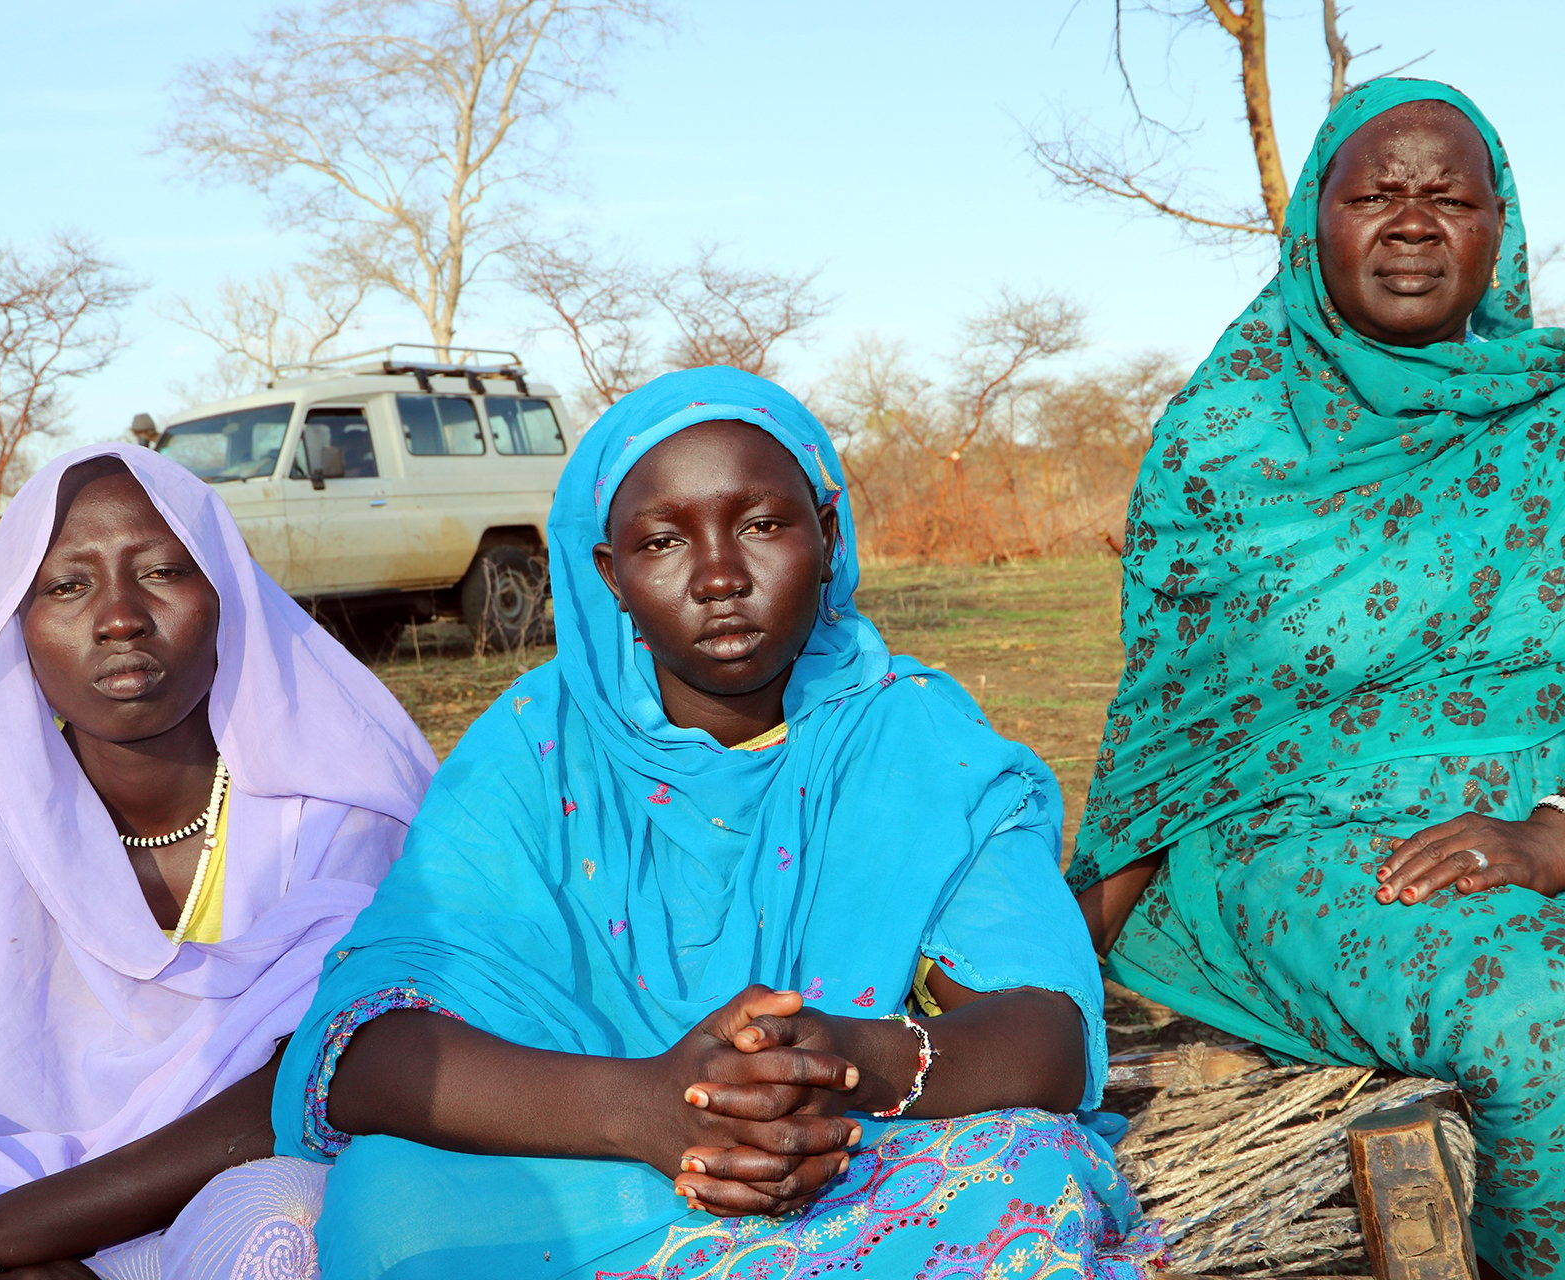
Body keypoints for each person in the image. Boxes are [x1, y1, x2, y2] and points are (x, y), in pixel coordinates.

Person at [269, 367, 1162, 1279]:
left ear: (827, 532)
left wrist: (840, 1057)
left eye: (763, 524)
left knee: (1025, 1169)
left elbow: (1044, 1038)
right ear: (610, 575)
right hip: (580, 1147)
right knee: (391, 1198)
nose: (721, 575)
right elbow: (368, 1051)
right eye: (662, 541)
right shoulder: (531, 753)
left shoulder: (921, 741)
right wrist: (646, 1108)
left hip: (843, 1155)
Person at [1069, 78, 1565, 1280]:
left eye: (1451, 197)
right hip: (1309, 840)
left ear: (1502, 226)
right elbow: (1167, 723)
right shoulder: (1224, 436)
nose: (1416, 221)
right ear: (1312, 220)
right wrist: (1060, 955)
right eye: (1377, 193)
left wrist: (1556, 834)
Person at [0, 444, 436, 1280]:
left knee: (293, 1216)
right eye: (68, 585)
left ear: (228, 598)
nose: (118, 618)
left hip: (221, 1193)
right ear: (17, 626)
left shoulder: (339, 808)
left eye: (161, 573)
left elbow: (315, 1079)